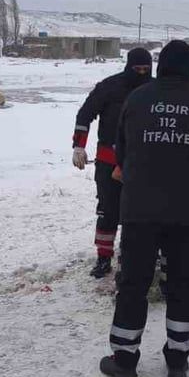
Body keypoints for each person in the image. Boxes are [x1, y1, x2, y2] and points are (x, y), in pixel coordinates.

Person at [100, 40, 189, 377]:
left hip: (141, 211)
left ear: (160, 65)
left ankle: (124, 359)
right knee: (184, 284)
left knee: (134, 284)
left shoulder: (137, 99)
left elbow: (121, 153)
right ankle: (178, 359)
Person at [72, 47, 153, 278]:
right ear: (128, 67)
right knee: (108, 210)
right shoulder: (109, 87)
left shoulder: (154, 89)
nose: (141, 73)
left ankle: (131, 256)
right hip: (109, 160)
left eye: (145, 69)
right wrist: (79, 145)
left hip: (143, 162)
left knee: (137, 213)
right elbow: (84, 115)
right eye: (136, 69)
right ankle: (103, 257)